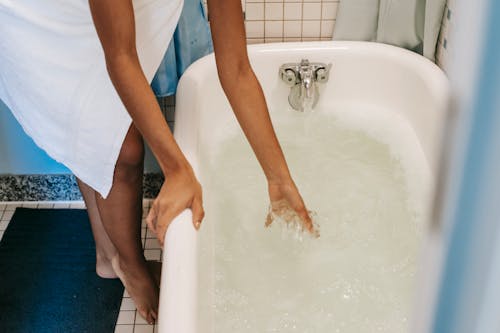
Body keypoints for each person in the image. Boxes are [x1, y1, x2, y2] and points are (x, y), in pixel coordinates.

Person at [0, 0, 316, 324]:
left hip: (93, 14)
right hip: (43, 19)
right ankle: (130, 267)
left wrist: (278, 178)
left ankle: (108, 257)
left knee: (92, 122)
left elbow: (236, 68)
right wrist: (177, 170)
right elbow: (120, 57)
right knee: (121, 147)